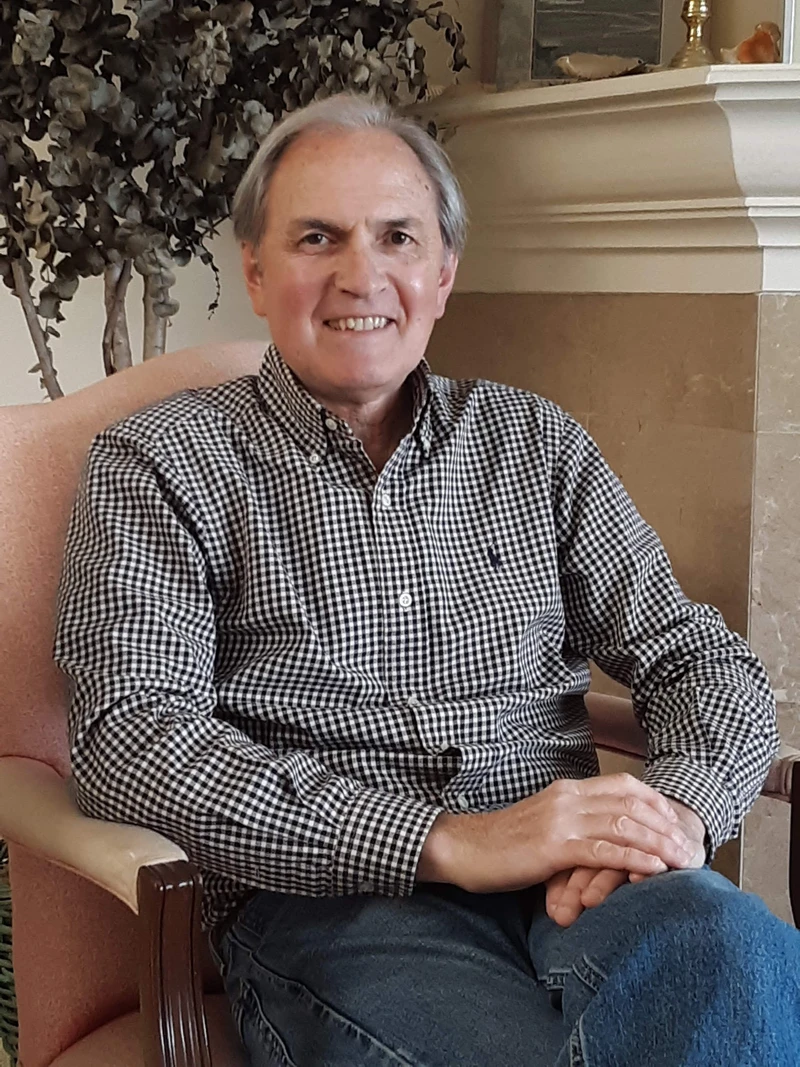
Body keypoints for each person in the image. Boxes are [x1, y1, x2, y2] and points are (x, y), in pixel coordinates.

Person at [54, 93, 800, 1067]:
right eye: (316, 236)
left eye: (396, 236)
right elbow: (132, 738)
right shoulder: (160, 463)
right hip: (338, 911)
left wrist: (680, 812)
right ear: (256, 269)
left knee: (743, 955)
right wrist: (442, 837)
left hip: (584, 879)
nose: (359, 274)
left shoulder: (536, 444)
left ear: (441, 272)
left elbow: (692, 654)